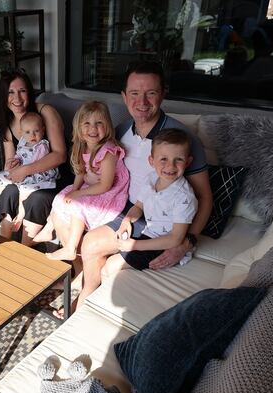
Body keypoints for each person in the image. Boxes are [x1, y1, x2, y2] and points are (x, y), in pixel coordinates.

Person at [77, 61, 213, 310]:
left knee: (93, 246)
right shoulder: (119, 131)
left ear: (163, 94)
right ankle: (84, 293)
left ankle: (84, 300)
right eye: (135, 94)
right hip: (128, 208)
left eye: (151, 93)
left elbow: (204, 197)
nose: (142, 102)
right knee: (76, 226)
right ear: (124, 96)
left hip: (156, 218)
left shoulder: (180, 139)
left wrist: (186, 243)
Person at [34, 101, 129, 262]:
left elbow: (106, 185)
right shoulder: (83, 146)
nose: (93, 129)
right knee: (61, 196)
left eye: (99, 123)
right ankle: (50, 227)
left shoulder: (108, 151)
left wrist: (79, 193)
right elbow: (81, 172)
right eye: (87, 123)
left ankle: (70, 248)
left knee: (79, 204)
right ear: (79, 126)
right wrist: (74, 190)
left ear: (107, 126)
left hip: (110, 190)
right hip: (91, 185)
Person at [106, 128, 198, 275]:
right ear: (151, 161)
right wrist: (126, 221)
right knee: (107, 244)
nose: (170, 166)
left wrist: (135, 245)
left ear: (188, 162)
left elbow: (175, 239)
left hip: (164, 245)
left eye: (178, 160)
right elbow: (138, 206)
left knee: (111, 265)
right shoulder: (151, 178)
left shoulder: (184, 197)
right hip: (148, 232)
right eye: (163, 159)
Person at [0, 69, 67, 246]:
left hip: (53, 178)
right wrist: (12, 166)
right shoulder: (7, 125)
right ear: (4, 96)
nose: (17, 98)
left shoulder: (45, 112)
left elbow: (60, 155)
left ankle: (24, 249)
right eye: (11, 92)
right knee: (9, 192)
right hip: (28, 179)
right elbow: (9, 164)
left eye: (22, 91)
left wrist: (25, 170)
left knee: (37, 198)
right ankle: (3, 244)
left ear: (29, 92)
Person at [0, 112, 59, 226]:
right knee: (4, 182)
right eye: (28, 132)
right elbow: (19, 154)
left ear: (43, 130)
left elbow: (35, 164)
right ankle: (6, 219)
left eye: (36, 131)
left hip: (38, 173)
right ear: (22, 133)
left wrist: (21, 169)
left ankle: (21, 211)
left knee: (25, 189)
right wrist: (15, 161)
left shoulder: (41, 146)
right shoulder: (23, 142)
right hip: (25, 170)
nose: (32, 135)